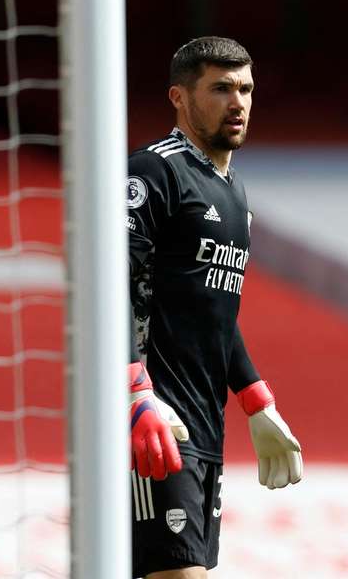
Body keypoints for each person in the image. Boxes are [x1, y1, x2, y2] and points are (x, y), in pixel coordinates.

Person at [126, 36, 304, 578]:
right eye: (221, 88)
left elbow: (216, 311)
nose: (238, 102)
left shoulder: (234, 193)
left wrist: (255, 399)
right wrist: (135, 393)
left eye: (246, 89)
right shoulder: (154, 173)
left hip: (204, 429)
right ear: (179, 97)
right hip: (154, 421)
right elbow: (112, 284)